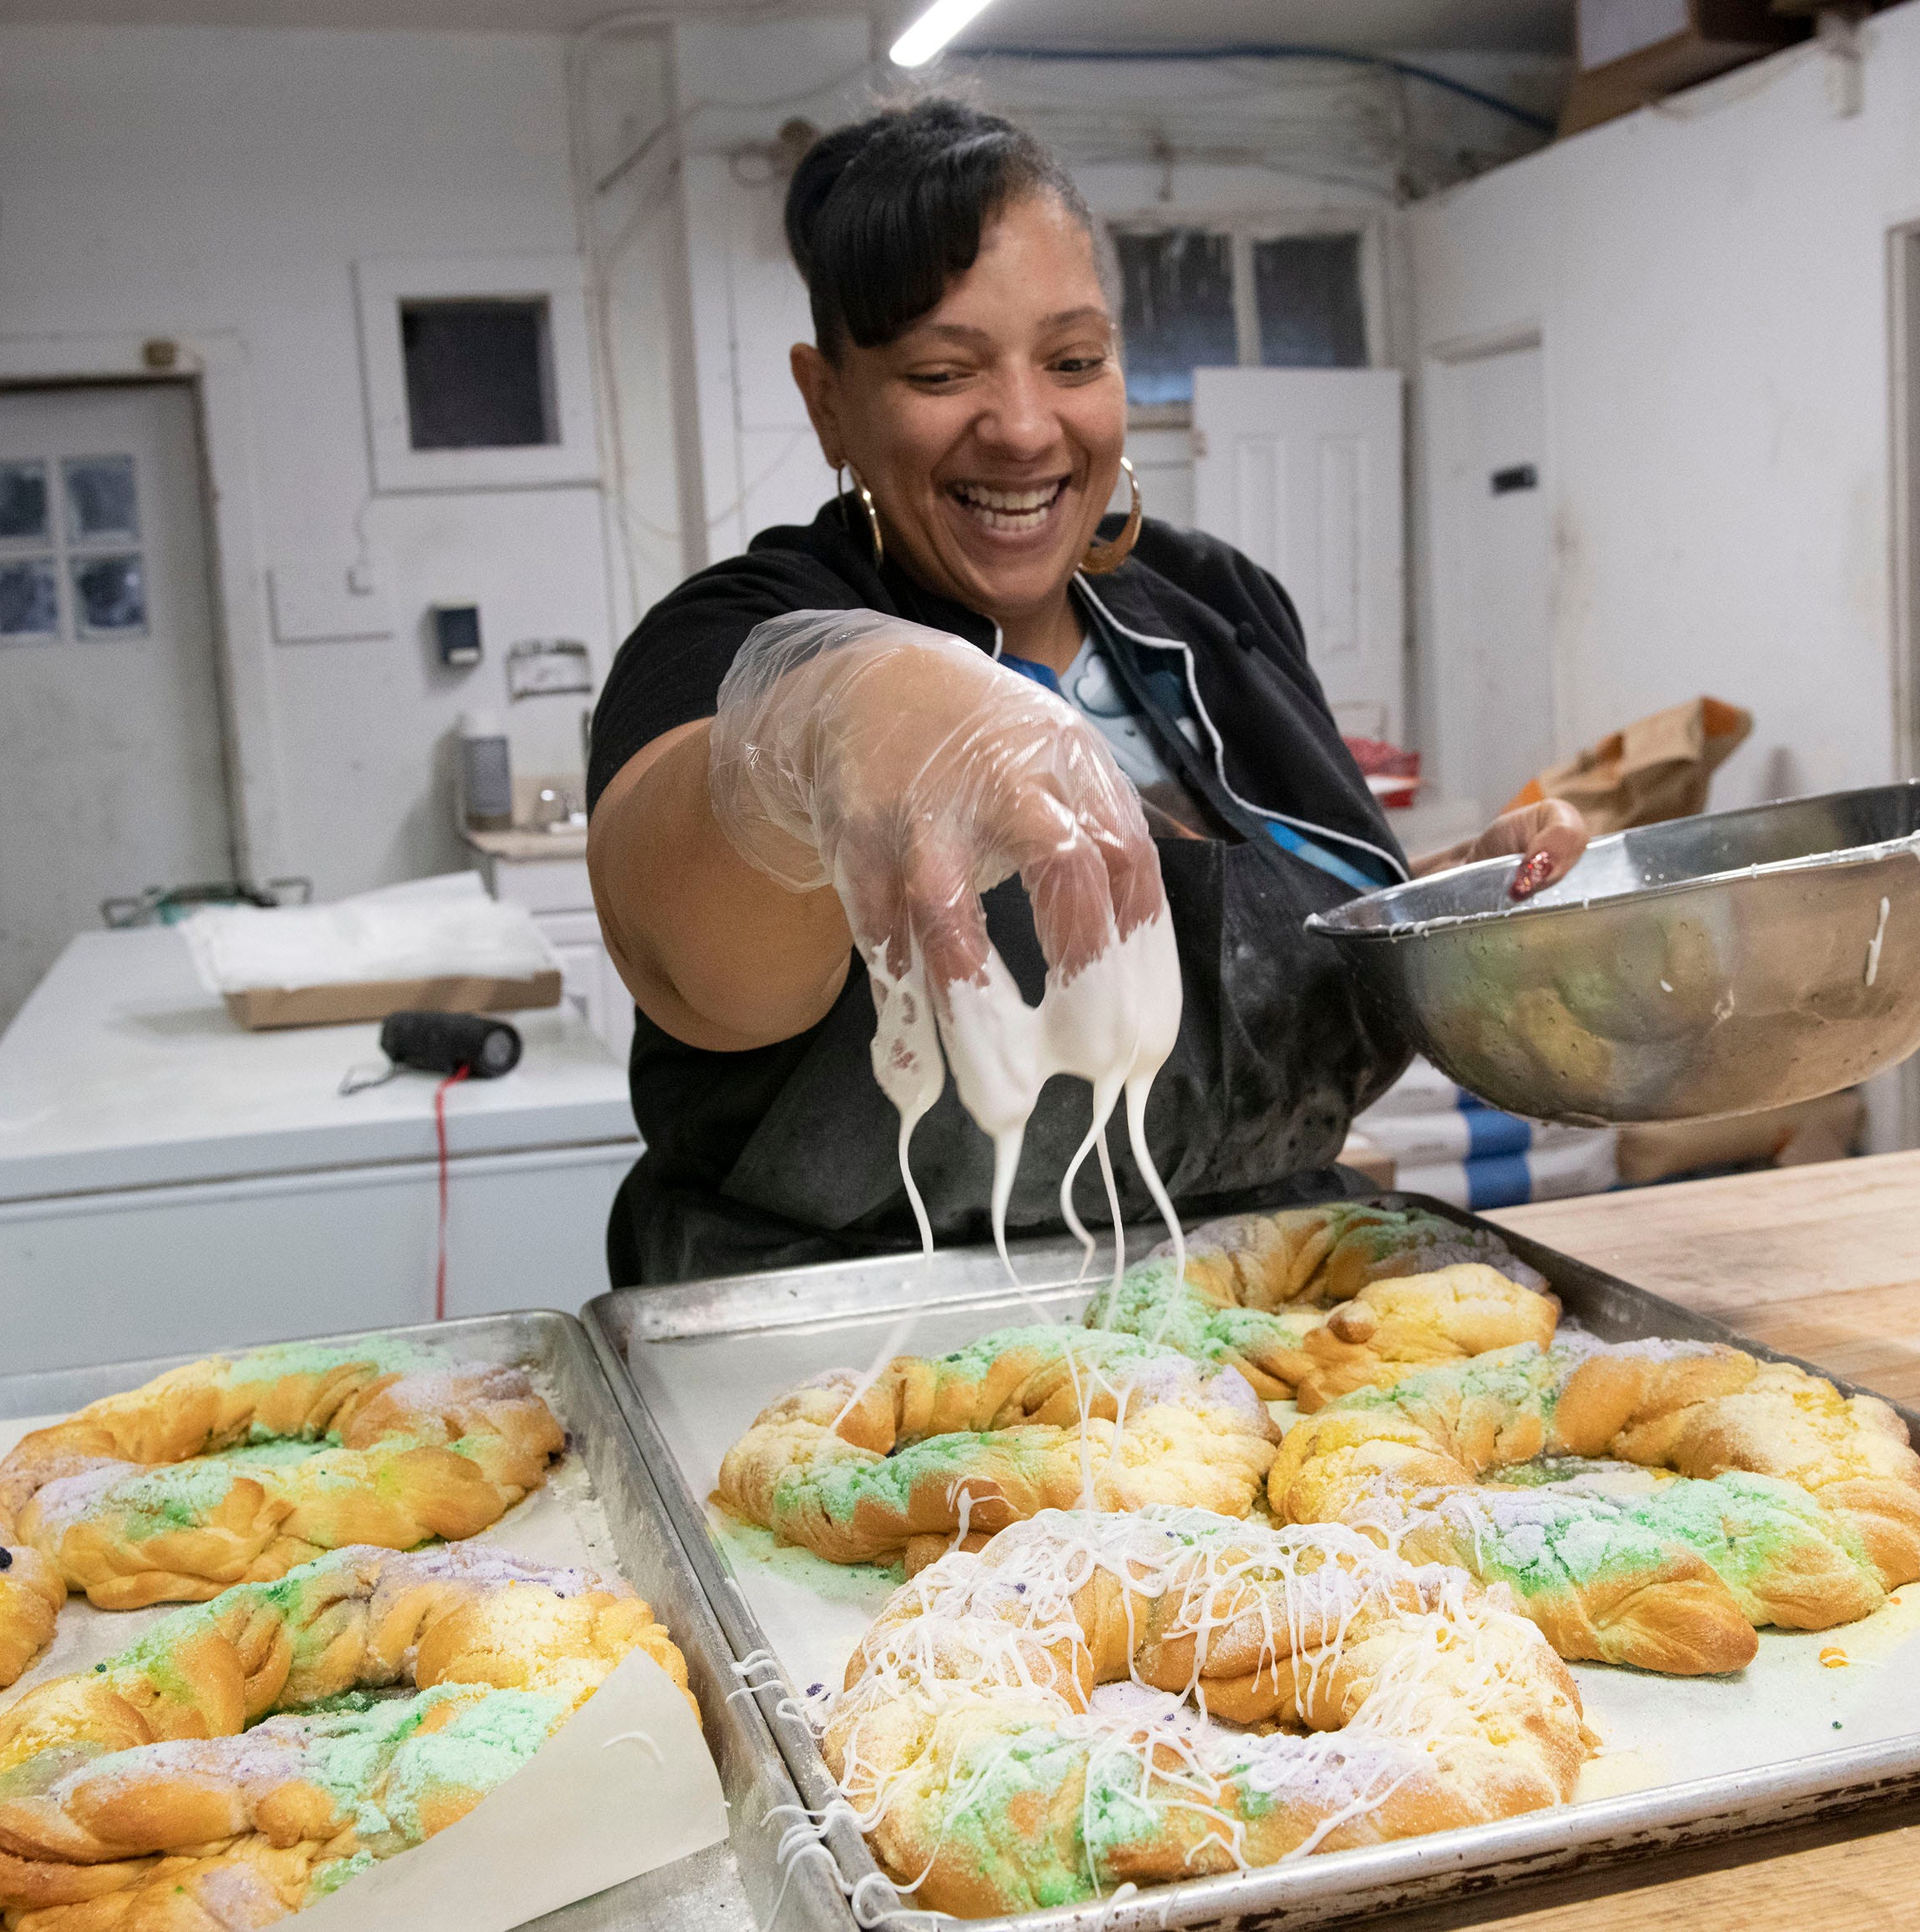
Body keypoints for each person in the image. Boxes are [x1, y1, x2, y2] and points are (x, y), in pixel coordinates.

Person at [587, 98, 1585, 1286]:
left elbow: (1270, 957)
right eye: (943, 370)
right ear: (828, 402)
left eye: (1074, 361)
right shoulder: (742, 633)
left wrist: (1452, 906)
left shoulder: (1221, 608)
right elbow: (694, 966)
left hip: (1265, 1313)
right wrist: (821, 726)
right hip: (849, 1357)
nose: (1023, 428)